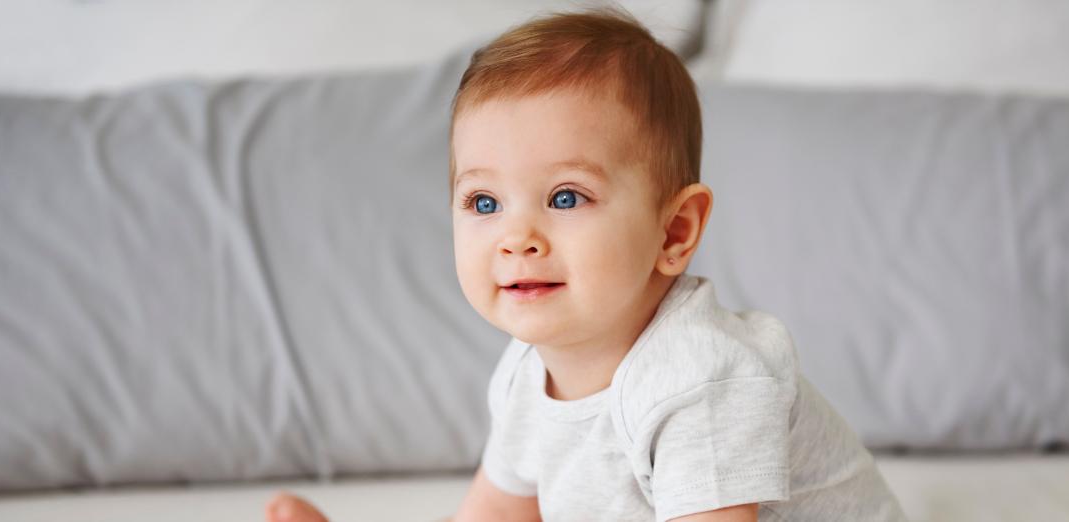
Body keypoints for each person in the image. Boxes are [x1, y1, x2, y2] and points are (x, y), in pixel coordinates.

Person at [266, 8, 906, 522]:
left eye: (566, 197)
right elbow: (499, 510)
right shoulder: (527, 370)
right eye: (484, 202)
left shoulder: (701, 381)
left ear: (674, 231)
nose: (517, 238)